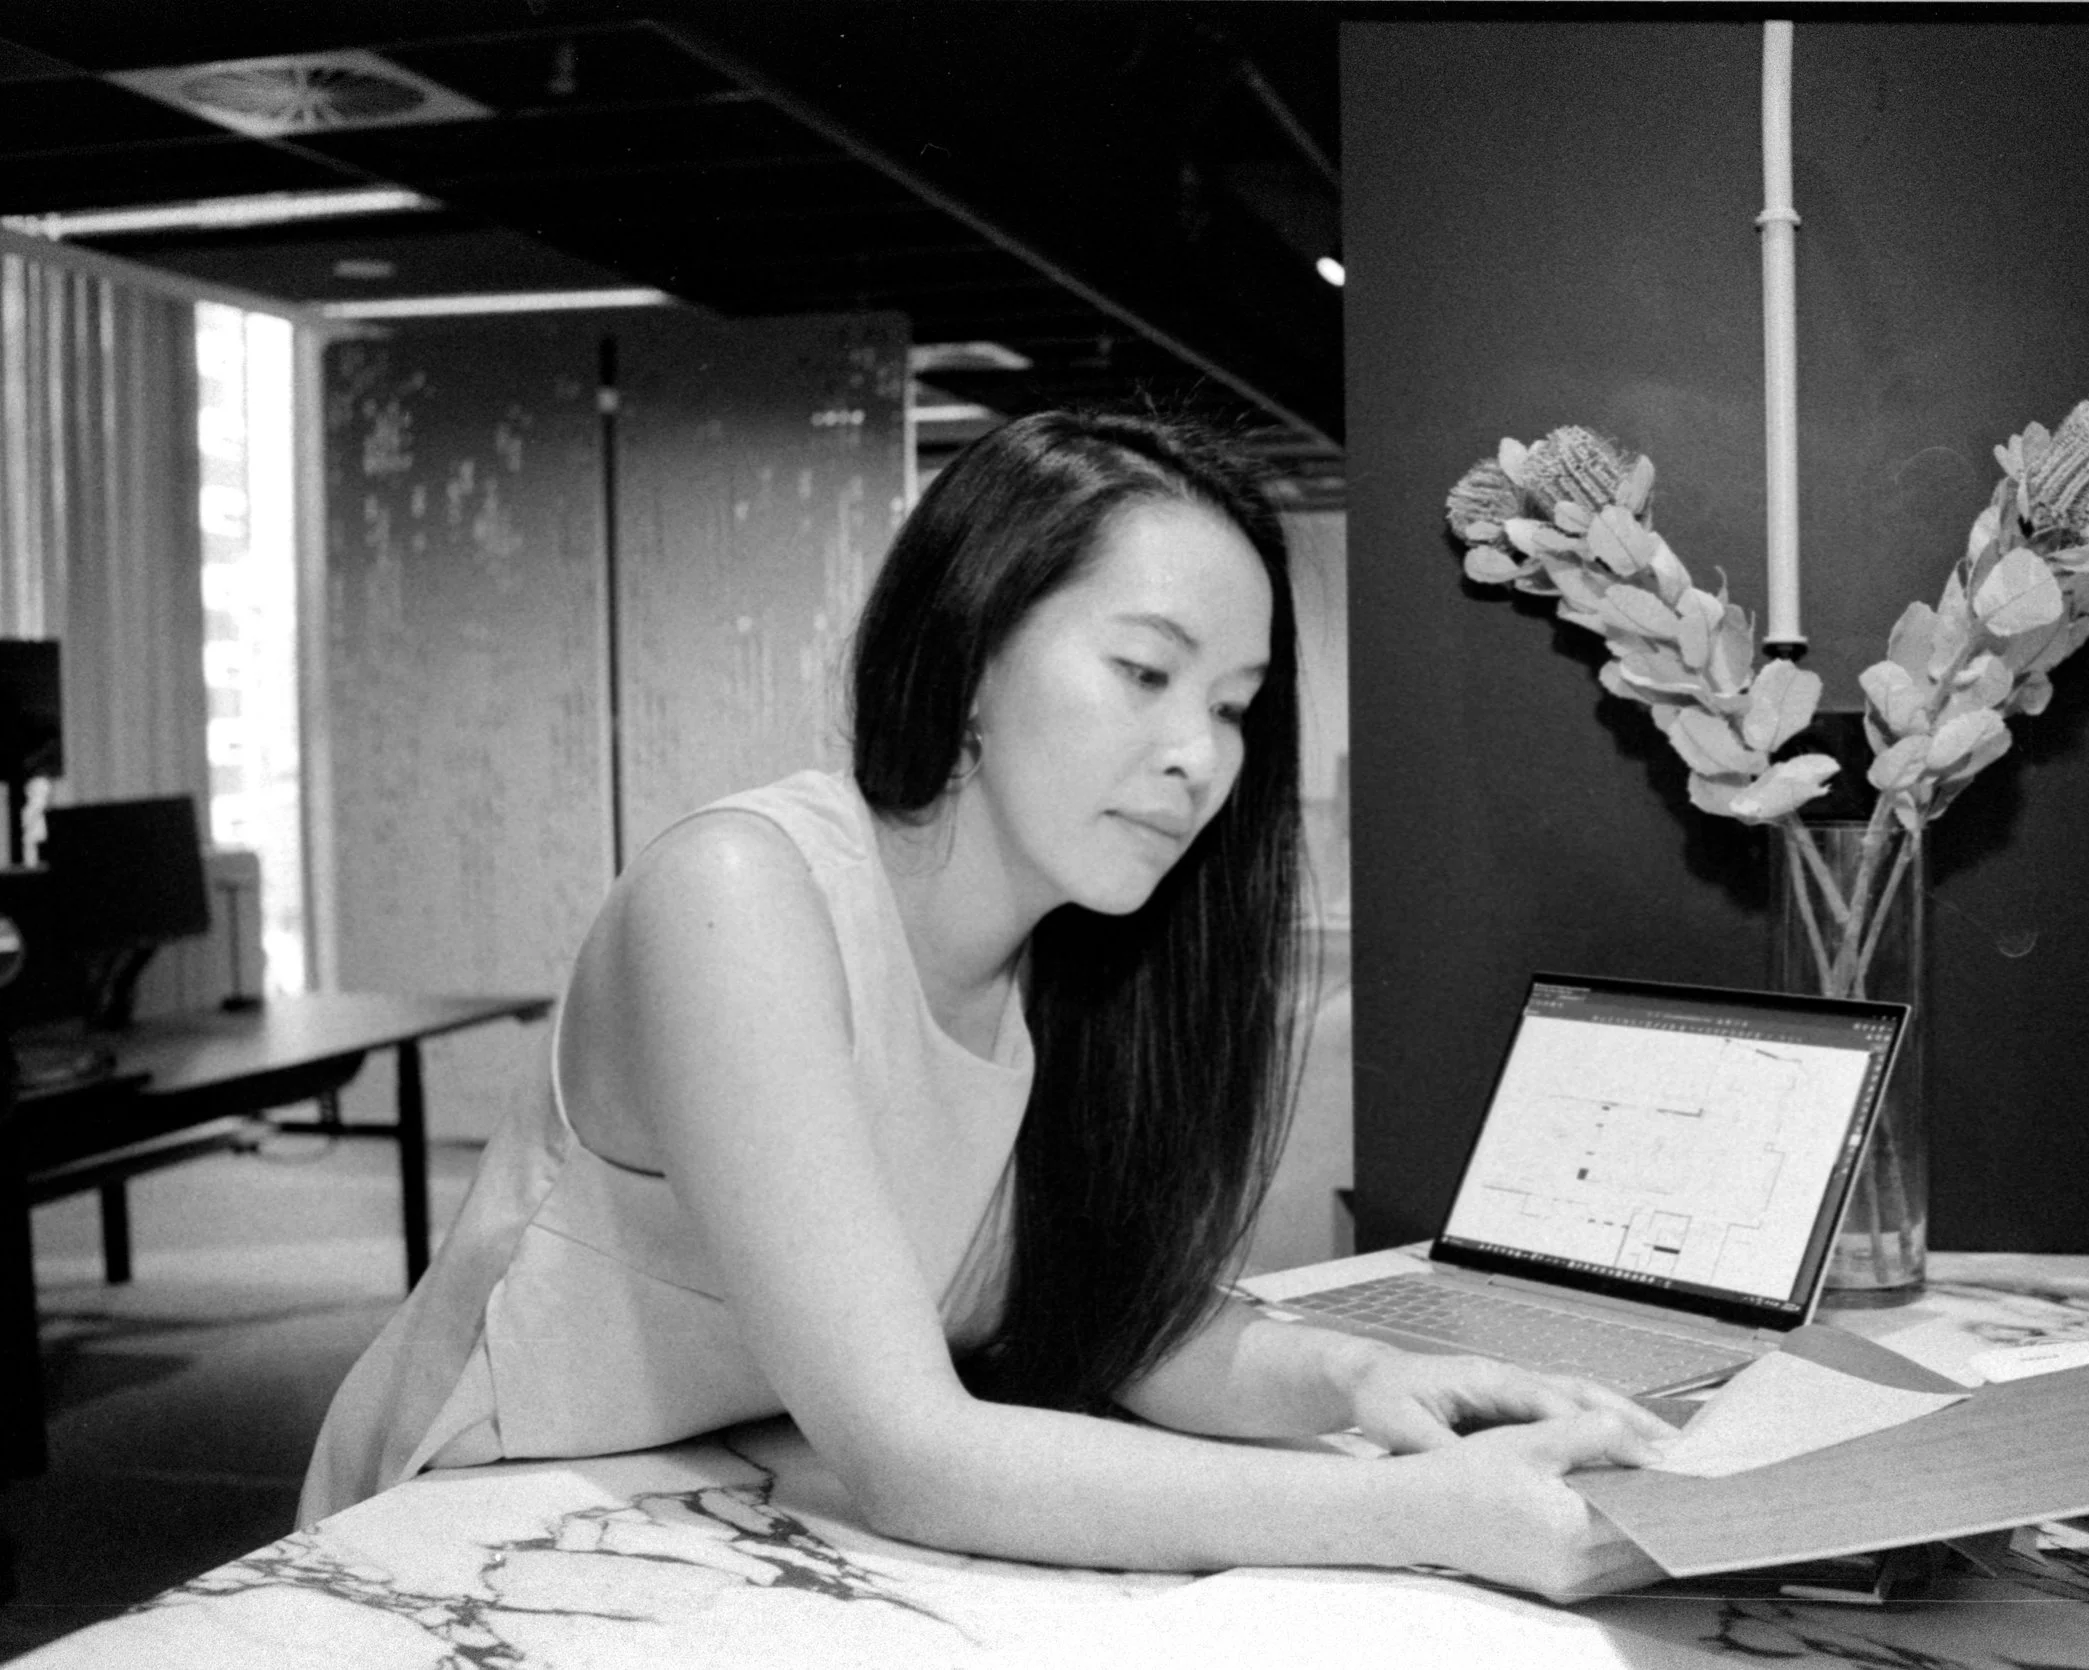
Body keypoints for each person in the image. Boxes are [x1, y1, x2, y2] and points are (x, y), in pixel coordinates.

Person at [301, 409, 1671, 1597]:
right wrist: (1409, 1515)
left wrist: (1354, 1382)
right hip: (460, 1532)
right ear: (968, 652)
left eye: (1237, 704)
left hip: (708, 1513)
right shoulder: (738, 894)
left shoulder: (1062, 954)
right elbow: (912, 1449)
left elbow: (1103, 1317)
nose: (1200, 757)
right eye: (1144, 672)